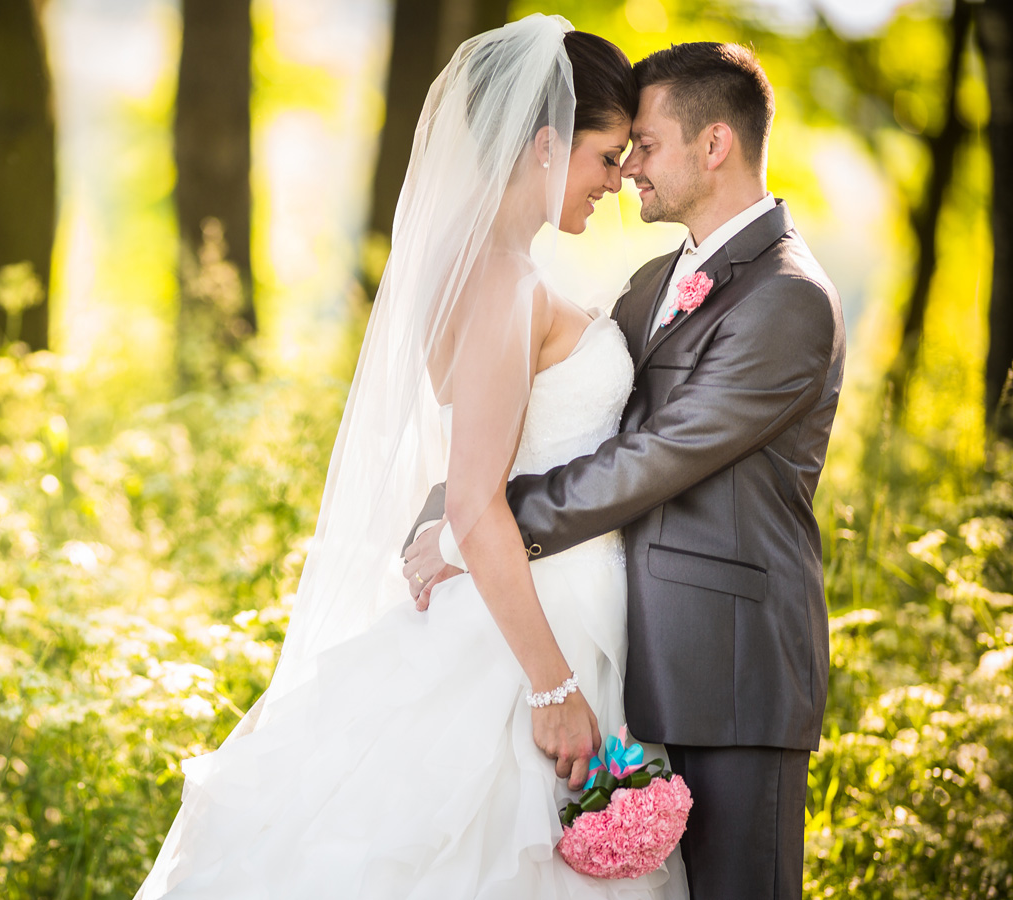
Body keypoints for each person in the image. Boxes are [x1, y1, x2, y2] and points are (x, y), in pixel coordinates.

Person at [135, 16, 687, 898]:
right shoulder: (505, 284)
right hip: (530, 633)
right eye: (606, 156)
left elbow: (479, 474)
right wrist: (552, 690)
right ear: (548, 144)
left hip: (552, 604)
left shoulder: (480, 264)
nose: (617, 181)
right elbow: (475, 500)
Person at [404, 41, 845, 900]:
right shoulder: (650, 283)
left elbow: (656, 456)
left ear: (714, 145)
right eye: (619, 150)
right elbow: (558, 422)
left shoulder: (787, 296)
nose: (628, 168)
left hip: (729, 672)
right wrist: (455, 506)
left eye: (644, 146)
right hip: (622, 650)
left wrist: (478, 526)